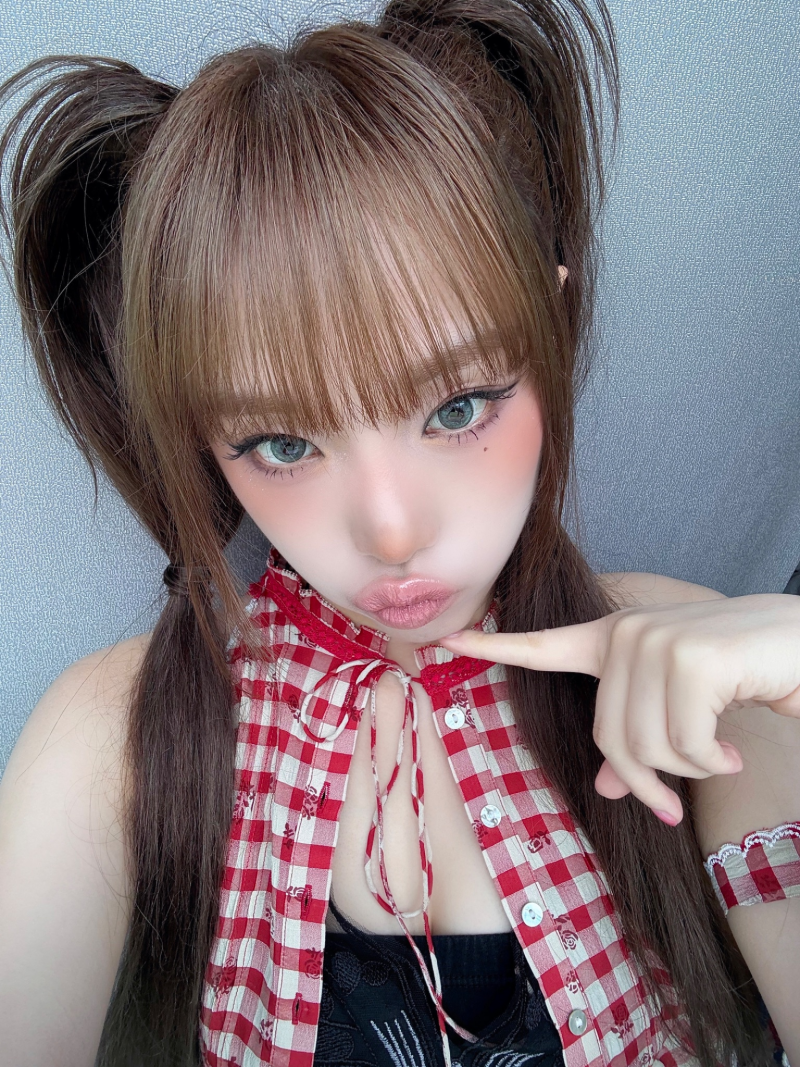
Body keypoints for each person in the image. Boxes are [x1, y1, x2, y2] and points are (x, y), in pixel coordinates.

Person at [0, 1, 797, 1065]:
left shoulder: (696, 667)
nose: (390, 530)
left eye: (458, 405)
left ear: (550, 325)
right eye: (282, 441)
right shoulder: (118, 736)